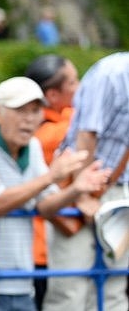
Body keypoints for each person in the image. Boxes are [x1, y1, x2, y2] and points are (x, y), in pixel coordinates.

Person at [0, 76, 110, 311]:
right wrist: (51, 177)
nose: (29, 119)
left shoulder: (32, 147)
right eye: (20, 110)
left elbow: (45, 205)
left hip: (20, 280)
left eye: (35, 111)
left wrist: (76, 189)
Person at [42, 52, 129, 311]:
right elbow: (86, 136)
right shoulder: (112, 73)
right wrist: (81, 194)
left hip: (120, 188)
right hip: (78, 184)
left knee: (114, 286)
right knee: (70, 289)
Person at [24, 54, 80, 310]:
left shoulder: (62, 119)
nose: (80, 89)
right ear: (53, 96)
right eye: (73, 83)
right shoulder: (51, 132)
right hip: (46, 242)